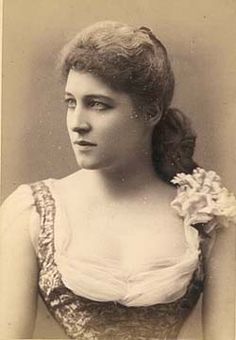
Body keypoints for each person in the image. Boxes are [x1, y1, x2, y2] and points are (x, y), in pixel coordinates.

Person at [0, 21, 235, 340]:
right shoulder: (32, 212)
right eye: (71, 103)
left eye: (97, 104)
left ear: (150, 112)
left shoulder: (207, 217)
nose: (77, 124)